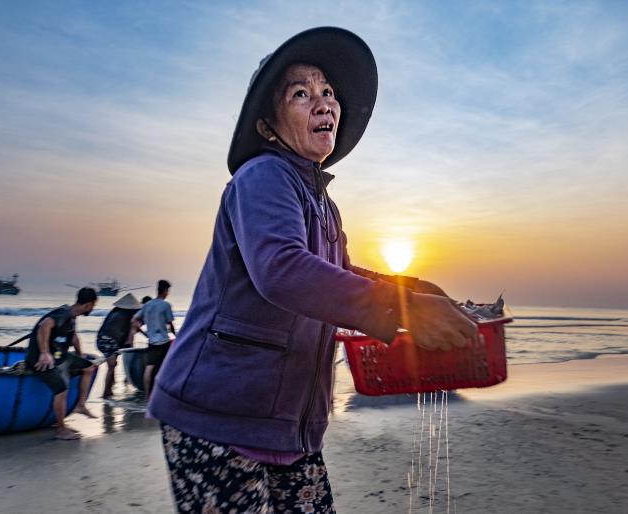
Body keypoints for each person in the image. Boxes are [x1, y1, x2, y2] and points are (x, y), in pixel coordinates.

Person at [147, 27, 479, 512]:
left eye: (328, 93)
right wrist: (402, 307)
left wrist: (419, 290)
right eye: (301, 94)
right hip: (214, 418)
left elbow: (340, 272)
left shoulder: (323, 203)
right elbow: (282, 269)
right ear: (267, 126)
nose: (323, 103)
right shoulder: (262, 176)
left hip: (290, 428)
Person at [25, 287, 99, 440]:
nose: (93, 308)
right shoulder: (64, 313)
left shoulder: (72, 317)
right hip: (40, 359)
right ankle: (61, 429)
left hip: (60, 356)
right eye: (93, 305)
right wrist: (44, 353)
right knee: (61, 389)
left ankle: (80, 405)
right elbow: (44, 325)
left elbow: (73, 337)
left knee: (89, 367)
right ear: (88, 304)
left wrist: (80, 355)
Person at [132, 280, 176, 399]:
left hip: (152, 341)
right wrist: (176, 336)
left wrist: (144, 332)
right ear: (165, 291)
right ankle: (163, 393)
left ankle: (147, 396)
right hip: (163, 341)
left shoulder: (147, 305)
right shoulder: (166, 305)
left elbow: (134, 320)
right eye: (168, 291)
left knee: (149, 367)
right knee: (168, 366)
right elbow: (170, 325)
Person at [96, 293, 141, 398]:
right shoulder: (131, 316)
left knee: (113, 365)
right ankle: (105, 394)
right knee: (111, 367)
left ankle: (110, 390)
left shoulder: (115, 311)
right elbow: (131, 335)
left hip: (101, 339)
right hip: (110, 341)